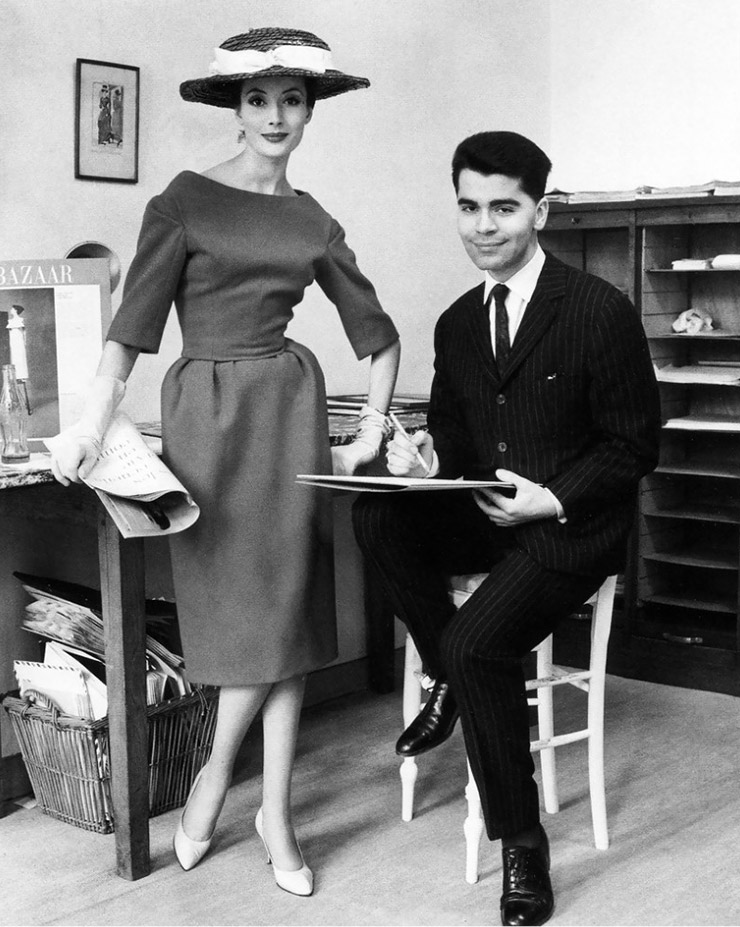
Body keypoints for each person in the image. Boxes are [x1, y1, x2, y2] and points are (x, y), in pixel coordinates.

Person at [49, 27, 400, 897]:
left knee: (289, 613)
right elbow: (130, 331)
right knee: (252, 619)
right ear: (236, 110)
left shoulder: (313, 219)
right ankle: (226, 785)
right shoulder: (183, 201)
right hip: (207, 421)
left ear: (310, 112)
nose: (275, 116)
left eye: (292, 100)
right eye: (257, 99)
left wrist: (370, 430)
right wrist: (90, 427)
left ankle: (262, 804)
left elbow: (379, 336)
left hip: (289, 413)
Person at [352, 131, 660, 926]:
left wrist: (550, 498)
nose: (483, 226)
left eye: (503, 207)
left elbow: (634, 445)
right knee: (377, 512)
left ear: (540, 211)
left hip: (568, 526)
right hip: (491, 513)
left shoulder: (599, 309)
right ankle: (452, 675)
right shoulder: (457, 321)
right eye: (469, 207)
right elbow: (459, 436)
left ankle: (522, 843)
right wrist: (430, 459)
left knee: (475, 640)